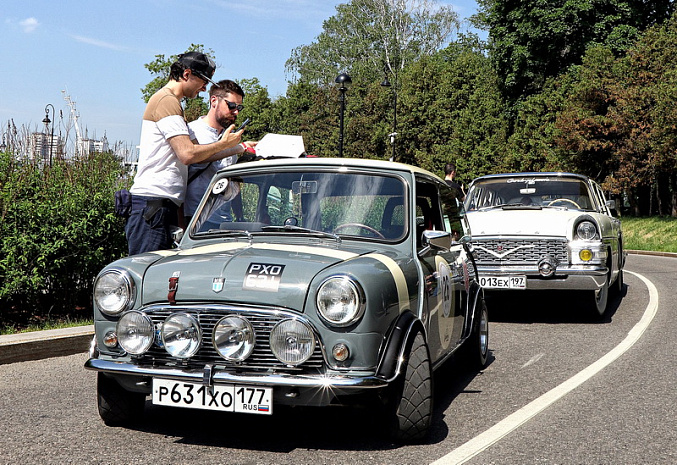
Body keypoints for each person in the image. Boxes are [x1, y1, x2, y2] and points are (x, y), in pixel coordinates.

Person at [126, 51, 243, 255]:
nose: (205, 88)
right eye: (203, 80)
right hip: (153, 205)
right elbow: (188, 154)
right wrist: (224, 144)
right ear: (187, 74)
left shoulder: (173, 104)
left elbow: (201, 154)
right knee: (147, 277)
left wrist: (236, 148)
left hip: (159, 206)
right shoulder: (167, 101)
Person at [184, 79, 256, 225]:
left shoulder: (231, 137)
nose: (235, 112)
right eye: (231, 106)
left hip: (224, 222)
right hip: (195, 220)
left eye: (239, 108)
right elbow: (178, 180)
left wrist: (239, 217)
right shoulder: (191, 132)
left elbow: (233, 183)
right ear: (214, 101)